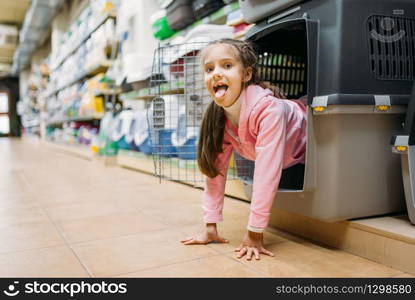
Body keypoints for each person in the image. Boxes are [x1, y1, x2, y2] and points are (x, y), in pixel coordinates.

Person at [180, 38, 307, 260]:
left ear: (247, 75)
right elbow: (214, 173)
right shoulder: (219, 119)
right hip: (288, 153)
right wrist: (210, 226)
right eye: (209, 69)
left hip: (310, 132)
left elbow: (266, 174)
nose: (216, 73)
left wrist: (255, 233)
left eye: (227, 66)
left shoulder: (270, 111)